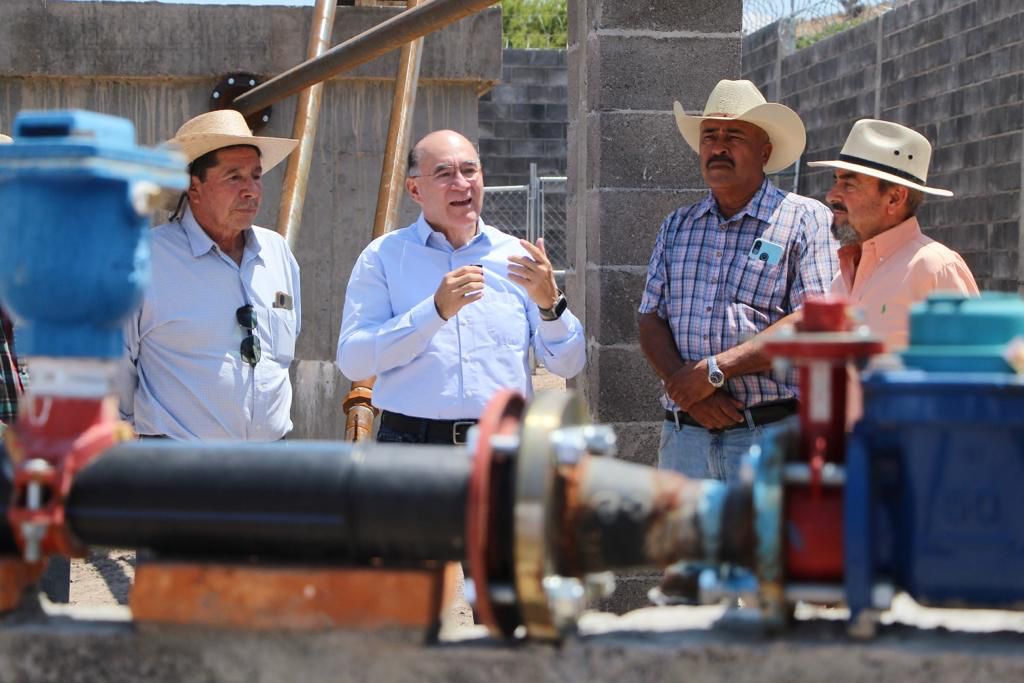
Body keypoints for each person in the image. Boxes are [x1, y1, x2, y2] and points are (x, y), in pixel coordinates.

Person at [638, 79, 837, 482]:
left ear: (765, 152)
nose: (718, 147)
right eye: (709, 136)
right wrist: (690, 396)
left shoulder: (805, 219)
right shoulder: (678, 225)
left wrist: (714, 372)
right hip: (685, 438)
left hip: (766, 436)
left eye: (734, 136)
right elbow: (650, 317)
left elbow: (814, 322)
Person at [336, 129, 585, 444]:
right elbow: (354, 361)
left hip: (504, 446)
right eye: (444, 174)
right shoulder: (383, 257)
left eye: (470, 171)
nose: (462, 183)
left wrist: (551, 306)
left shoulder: (517, 257)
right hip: (412, 446)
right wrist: (434, 312)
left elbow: (569, 364)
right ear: (414, 189)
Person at [117, 110, 301, 440]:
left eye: (256, 176)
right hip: (177, 463)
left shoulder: (277, 253)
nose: (251, 190)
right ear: (194, 186)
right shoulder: (143, 259)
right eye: (234, 177)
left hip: (273, 461)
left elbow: (283, 356)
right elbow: (114, 375)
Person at [808, 119, 979, 351]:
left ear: (895, 198)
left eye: (849, 185)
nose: (831, 196)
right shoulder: (844, 276)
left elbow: (971, 365)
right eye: (836, 181)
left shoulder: (934, 268)